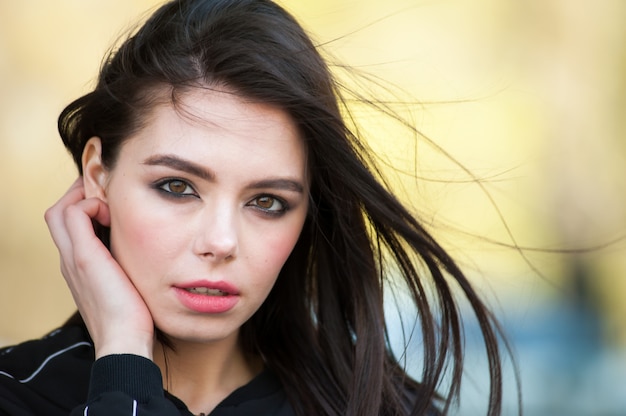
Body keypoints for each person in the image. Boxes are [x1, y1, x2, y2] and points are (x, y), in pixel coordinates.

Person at [0, 0, 511, 415]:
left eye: (267, 201)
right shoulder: (15, 393)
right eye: (177, 186)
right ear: (97, 175)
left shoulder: (377, 407)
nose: (221, 242)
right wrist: (124, 362)